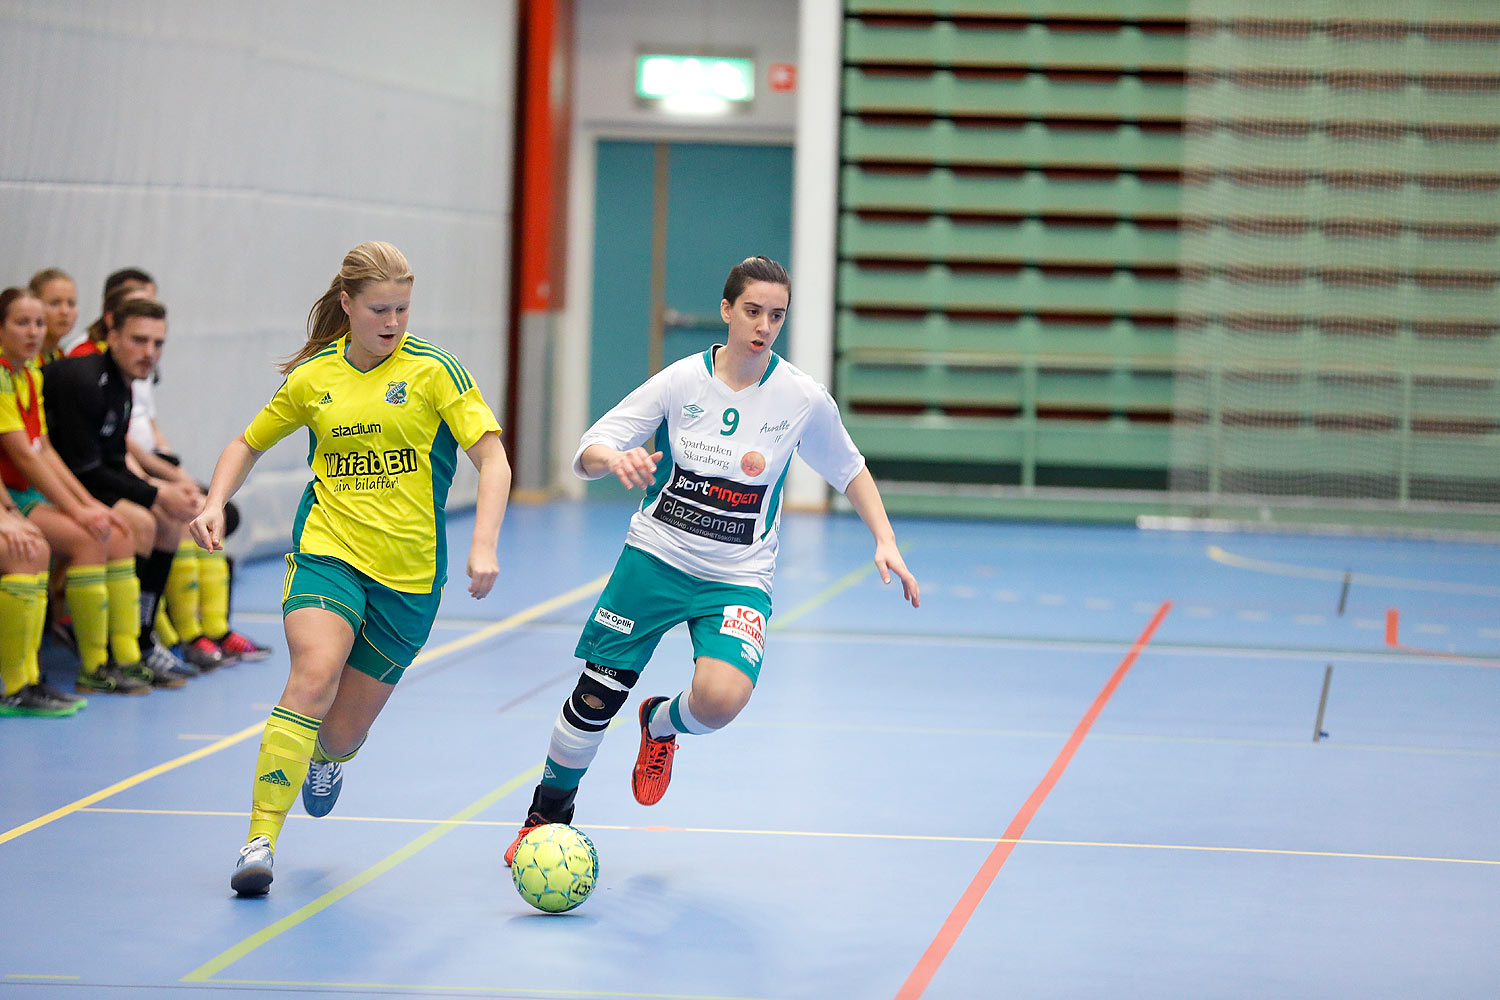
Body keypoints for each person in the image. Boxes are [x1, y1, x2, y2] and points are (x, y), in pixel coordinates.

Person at [504, 255, 920, 864]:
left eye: (777, 316)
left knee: (722, 699)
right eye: (753, 311)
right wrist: (614, 461)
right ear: (727, 311)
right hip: (656, 557)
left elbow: (849, 467)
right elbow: (593, 445)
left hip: (736, 575)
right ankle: (545, 816)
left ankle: (662, 726)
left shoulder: (800, 397)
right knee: (594, 700)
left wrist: (885, 539)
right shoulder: (681, 382)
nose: (764, 326)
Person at [188, 241, 512, 897]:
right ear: (347, 305)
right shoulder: (315, 378)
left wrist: (484, 543)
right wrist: (214, 501)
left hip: (410, 575)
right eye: (379, 309)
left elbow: (494, 460)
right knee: (311, 677)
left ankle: (329, 760)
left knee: (339, 730)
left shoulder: (435, 372)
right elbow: (246, 443)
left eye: (402, 309)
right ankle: (259, 842)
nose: (392, 323)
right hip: (328, 551)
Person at [42, 298, 201, 686]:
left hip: (83, 482)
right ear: (111, 336)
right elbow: (86, 469)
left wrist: (163, 490)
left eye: (157, 344)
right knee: (141, 523)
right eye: (139, 340)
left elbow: (111, 462)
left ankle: (143, 640)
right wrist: (155, 493)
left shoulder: (123, 385)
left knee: (168, 521)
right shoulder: (84, 381)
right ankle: (116, 649)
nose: (149, 353)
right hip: (55, 488)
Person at [0, 287, 148, 697]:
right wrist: (75, 512)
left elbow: (42, 450)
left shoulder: (27, 375)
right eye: (21, 323)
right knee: (59, 544)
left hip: (23, 494)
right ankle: (27, 681)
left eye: (38, 324)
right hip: (16, 494)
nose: (33, 332)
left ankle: (119, 659)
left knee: (112, 531)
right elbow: (24, 458)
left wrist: (88, 504)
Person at [28, 267, 79, 365]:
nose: (65, 311)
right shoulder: (19, 359)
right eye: (55, 303)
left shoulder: (60, 356)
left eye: (71, 303)